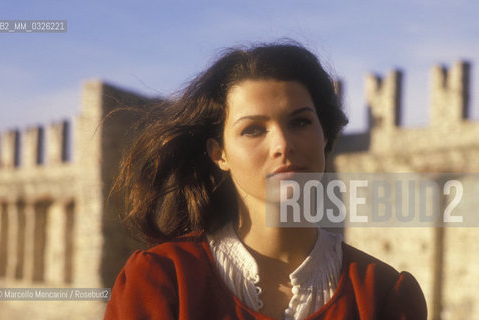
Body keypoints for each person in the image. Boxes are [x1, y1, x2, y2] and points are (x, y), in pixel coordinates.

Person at [104, 42, 427, 320]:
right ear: (220, 155)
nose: (283, 145)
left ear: (325, 137)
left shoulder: (383, 294)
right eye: (253, 129)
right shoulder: (161, 281)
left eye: (300, 122)